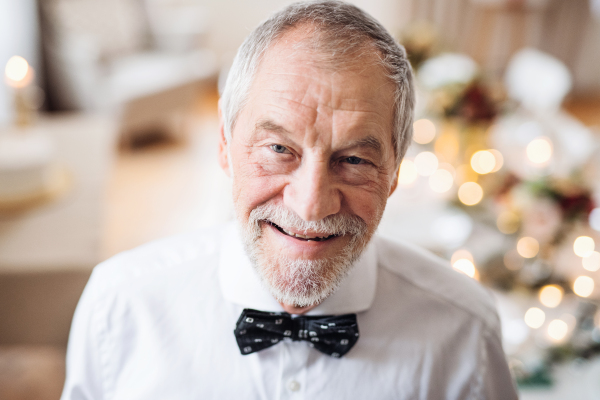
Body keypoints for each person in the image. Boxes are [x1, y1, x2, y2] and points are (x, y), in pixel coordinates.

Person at [61, 1, 518, 399]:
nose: (310, 206)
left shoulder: (465, 331)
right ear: (224, 146)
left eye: (355, 160)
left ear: (395, 172)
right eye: (279, 150)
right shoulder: (119, 304)